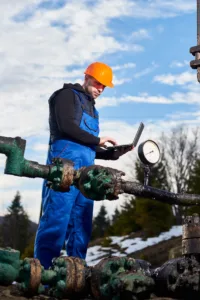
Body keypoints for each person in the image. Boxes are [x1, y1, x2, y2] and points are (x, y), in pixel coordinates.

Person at [34, 62, 131, 269]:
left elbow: (86, 146)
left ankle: (74, 276)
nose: (100, 89)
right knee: (56, 221)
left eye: (104, 87)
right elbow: (67, 127)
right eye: (98, 83)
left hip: (86, 175)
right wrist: (97, 140)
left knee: (81, 226)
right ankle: (42, 277)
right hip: (64, 169)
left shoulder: (93, 110)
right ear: (87, 77)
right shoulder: (66, 95)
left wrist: (110, 154)